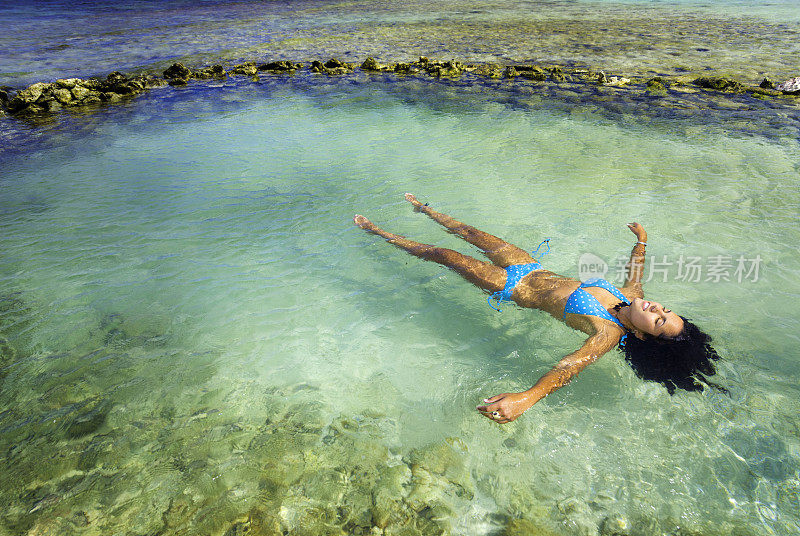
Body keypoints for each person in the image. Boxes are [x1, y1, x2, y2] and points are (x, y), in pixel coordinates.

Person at [353, 194, 724, 424]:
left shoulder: (609, 333)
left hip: (513, 287)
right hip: (531, 266)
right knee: (471, 233)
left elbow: (568, 367)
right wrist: (642, 240)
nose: (656, 307)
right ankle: (423, 208)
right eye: (664, 309)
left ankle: (380, 233)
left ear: (643, 334)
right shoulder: (630, 294)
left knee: (442, 255)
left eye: (657, 320)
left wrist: (526, 398)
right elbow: (637, 267)